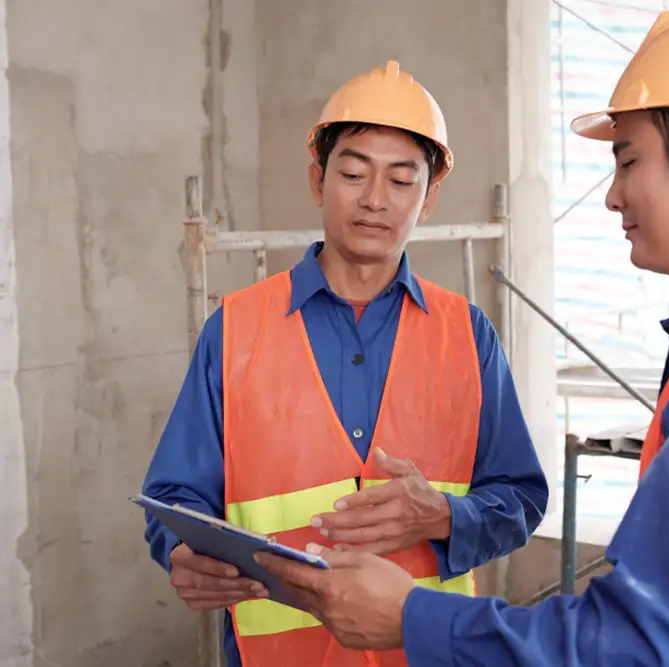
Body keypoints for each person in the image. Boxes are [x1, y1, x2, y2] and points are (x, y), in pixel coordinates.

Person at [255, 8, 669, 667]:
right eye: (353, 173)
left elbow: (644, 647)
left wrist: (416, 615)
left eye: (629, 160)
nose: (612, 195)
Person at [141, 60, 549, 667]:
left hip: (422, 654)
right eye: (353, 173)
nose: (375, 200)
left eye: (402, 181)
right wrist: (181, 550)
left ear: (429, 197)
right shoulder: (236, 329)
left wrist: (443, 516)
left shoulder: (468, 335)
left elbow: (519, 497)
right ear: (318, 180)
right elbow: (174, 496)